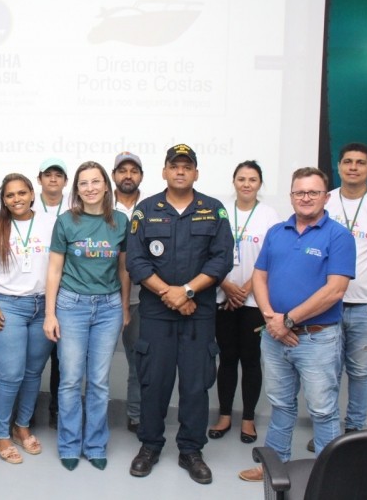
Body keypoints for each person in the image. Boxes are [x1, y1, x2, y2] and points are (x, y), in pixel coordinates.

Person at [238, 167, 356, 482]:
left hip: (317, 339)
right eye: (299, 192)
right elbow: (259, 276)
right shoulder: (277, 232)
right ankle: (273, 466)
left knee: (322, 409)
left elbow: (335, 290)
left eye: (313, 192)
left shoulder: (339, 236)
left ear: (326, 197)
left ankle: (329, 476)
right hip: (274, 335)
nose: (305, 198)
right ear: (291, 196)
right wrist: (271, 318)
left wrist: (288, 320)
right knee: (280, 404)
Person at [126, 144, 233, 485]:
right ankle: (150, 446)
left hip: (198, 313)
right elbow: (136, 261)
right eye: (175, 166)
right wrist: (169, 294)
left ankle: (191, 450)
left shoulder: (213, 210)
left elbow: (221, 259)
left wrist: (186, 291)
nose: (181, 171)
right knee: (153, 382)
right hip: (157, 313)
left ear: (196, 173)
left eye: (187, 166)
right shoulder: (145, 210)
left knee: (195, 384)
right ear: (165, 171)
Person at [301, 143, 367, 452]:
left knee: (360, 372)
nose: (353, 167)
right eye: (347, 161)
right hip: (326, 304)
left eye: (360, 163)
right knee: (327, 372)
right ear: (338, 166)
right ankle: (329, 432)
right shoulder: (324, 201)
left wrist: (366, 269)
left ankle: (354, 432)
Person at [44, 161, 130, 472]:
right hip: (71, 306)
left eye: (96, 182)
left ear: (106, 186)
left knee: (99, 382)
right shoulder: (66, 222)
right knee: (69, 380)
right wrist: (50, 314)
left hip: (108, 308)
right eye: (84, 183)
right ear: (77, 189)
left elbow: (123, 270)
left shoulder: (120, 221)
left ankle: (95, 445)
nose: (90, 188)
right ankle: (69, 444)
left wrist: (124, 308)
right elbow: (54, 270)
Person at [0, 173, 56, 464]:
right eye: (10, 195)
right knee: (10, 374)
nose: (17, 199)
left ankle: (22, 427)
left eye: (22, 193)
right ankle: (1, 434)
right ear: (4, 200)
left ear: (32, 194)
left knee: (34, 373)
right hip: (7, 305)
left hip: (43, 306)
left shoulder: (51, 223)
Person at [208, 161, 280, 444]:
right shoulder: (220, 212)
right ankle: (225, 415)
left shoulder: (270, 216)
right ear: (234, 181)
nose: (246, 184)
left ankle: (248, 418)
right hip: (222, 297)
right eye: (241, 179)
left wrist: (246, 289)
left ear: (260, 183)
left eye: (252, 179)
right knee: (226, 359)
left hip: (254, 301)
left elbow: (272, 258)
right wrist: (226, 285)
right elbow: (209, 252)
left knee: (251, 360)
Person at [32, 157, 70, 428]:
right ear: (40, 179)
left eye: (58, 175)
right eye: (48, 174)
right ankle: (27, 411)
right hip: (35, 292)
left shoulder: (75, 208)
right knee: (33, 359)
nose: (53, 179)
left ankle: (57, 409)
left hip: (67, 291)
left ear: (66, 181)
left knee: (62, 359)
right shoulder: (27, 206)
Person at [111, 151, 145, 434]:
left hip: (139, 298)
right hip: (102, 294)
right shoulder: (99, 205)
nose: (128, 176)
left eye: (134, 171)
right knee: (93, 362)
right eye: (122, 170)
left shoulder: (152, 208)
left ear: (141, 176)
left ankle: (136, 415)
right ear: (114, 175)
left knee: (138, 360)